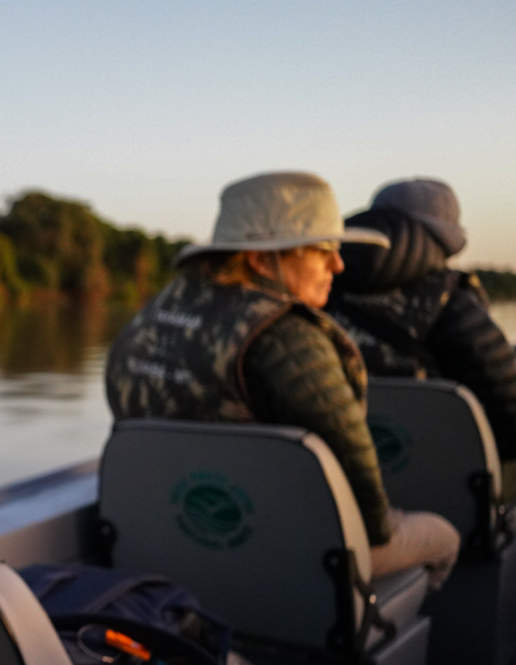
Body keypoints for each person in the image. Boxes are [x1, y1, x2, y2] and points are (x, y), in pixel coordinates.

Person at [106, 171, 460, 586]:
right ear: (260, 258)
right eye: (322, 249)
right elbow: (366, 507)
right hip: (283, 557)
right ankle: (386, 634)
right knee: (445, 537)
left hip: (163, 540)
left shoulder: (148, 319)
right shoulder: (288, 339)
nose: (338, 264)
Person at [325, 178, 516, 491]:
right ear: (445, 239)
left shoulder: (320, 292)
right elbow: (508, 410)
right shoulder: (450, 300)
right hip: (448, 490)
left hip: (344, 486)